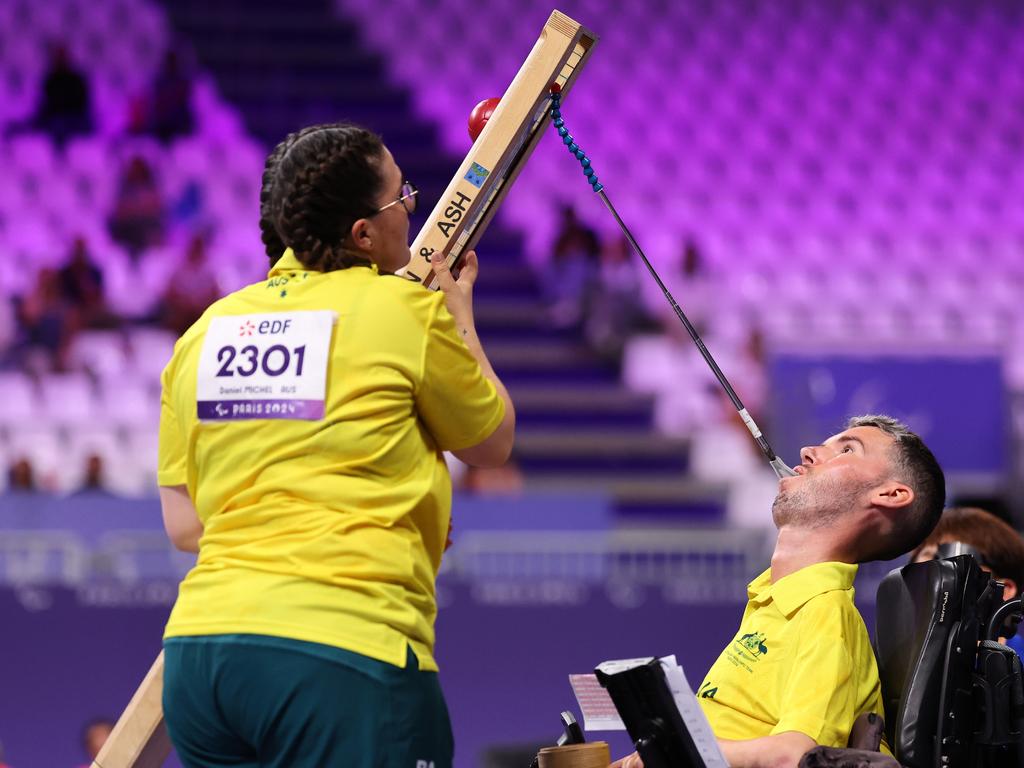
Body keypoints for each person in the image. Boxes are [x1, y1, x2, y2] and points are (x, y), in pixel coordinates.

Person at [157, 122, 515, 768]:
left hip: (200, 660)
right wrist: (460, 309)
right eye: (403, 195)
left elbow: (184, 522)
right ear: (363, 235)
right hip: (342, 655)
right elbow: (491, 442)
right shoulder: (400, 308)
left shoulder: (204, 333)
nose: (413, 206)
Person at [613, 415, 945, 768]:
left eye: (847, 448)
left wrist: (668, 752)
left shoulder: (826, 615)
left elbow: (797, 757)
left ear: (890, 494)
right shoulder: (772, 603)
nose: (807, 452)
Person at [910, 506, 1024, 656]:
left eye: (948, 566)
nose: (934, 584)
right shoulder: (891, 664)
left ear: (1004, 590)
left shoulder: (1019, 670)